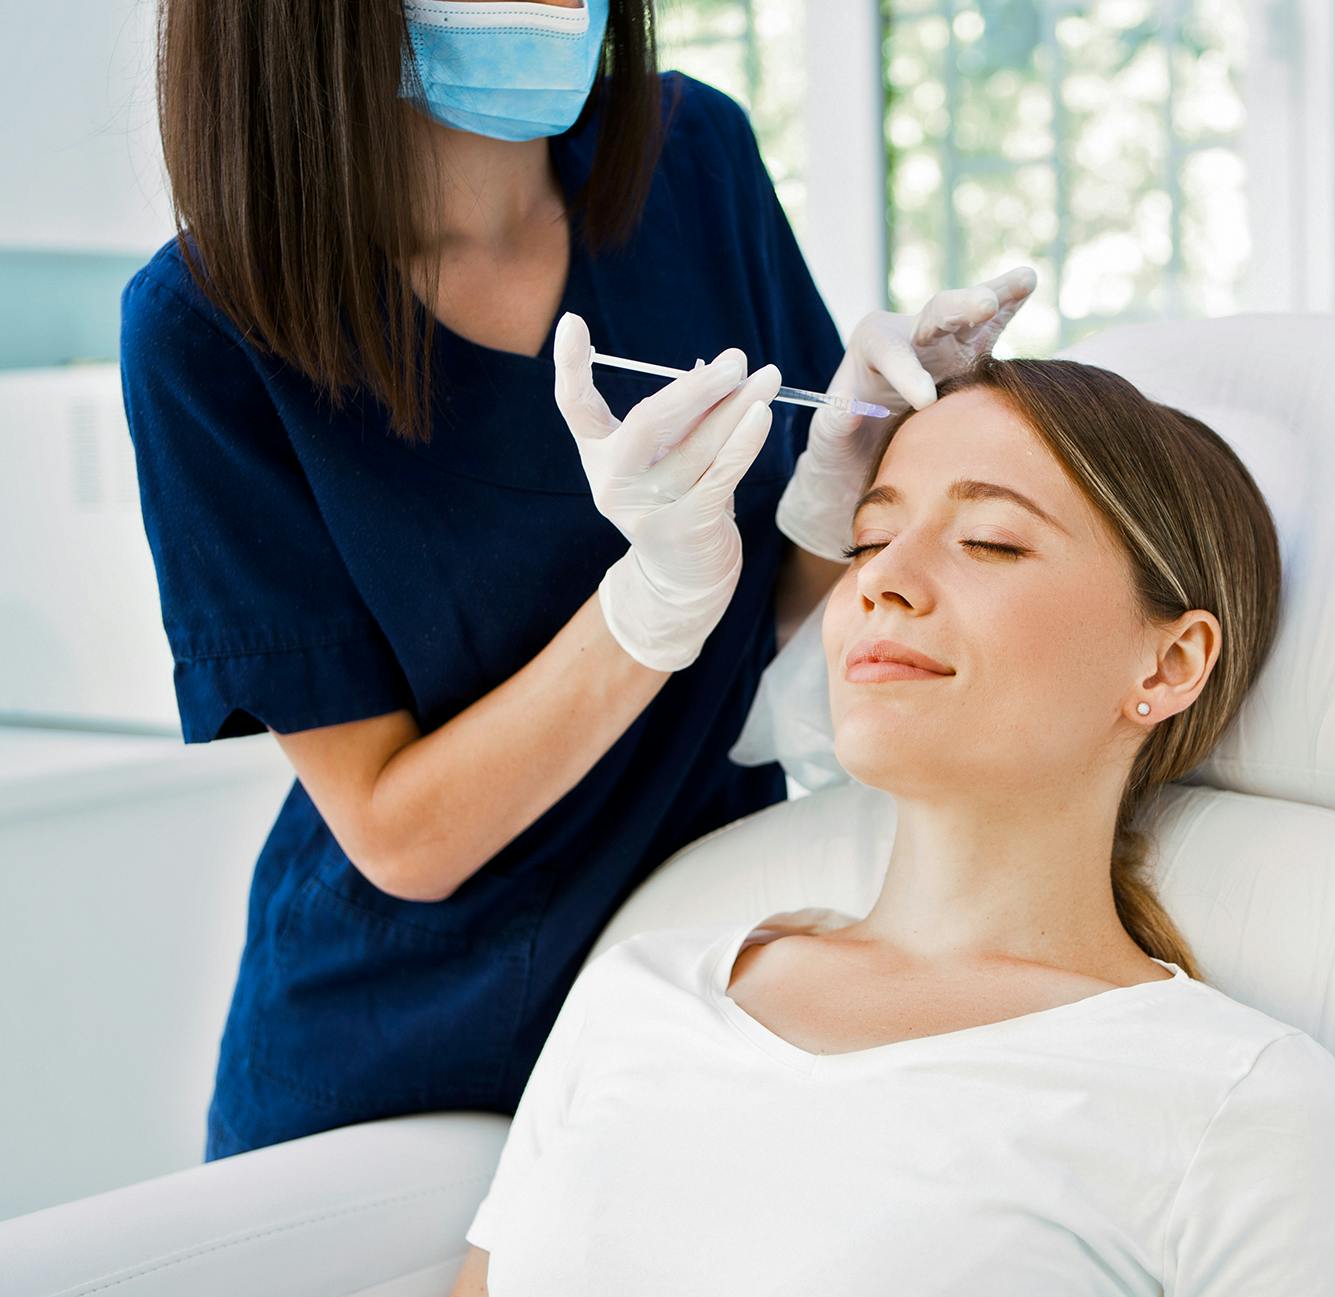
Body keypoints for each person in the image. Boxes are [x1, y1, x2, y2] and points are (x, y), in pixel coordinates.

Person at [117, 0, 1035, 1159]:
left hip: (688, 986)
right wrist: (646, 604)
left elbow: (776, 619)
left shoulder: (691, 154)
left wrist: (839, 470)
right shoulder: (208, 327)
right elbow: (402, 837)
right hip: (401, 1050)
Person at [444, 355, 1335, 1297]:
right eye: (867, 540)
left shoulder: (1239, 1108)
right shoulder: (639, 990)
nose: (881, 583)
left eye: (989, 541)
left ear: (1172, 661)